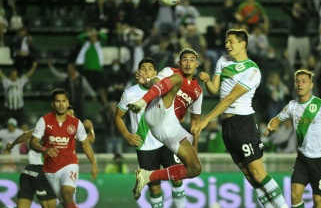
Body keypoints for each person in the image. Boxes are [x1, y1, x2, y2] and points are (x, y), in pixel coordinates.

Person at [191, 28, 288, 208]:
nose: (227, 45)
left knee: (258, 173)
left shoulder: (252, 71)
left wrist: (206, 120)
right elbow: (215, 91)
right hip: (228, 125)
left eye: (231, 42)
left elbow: (229, 99)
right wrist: (207, 81)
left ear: (243, 44)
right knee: (249, 176)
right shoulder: (222, 61)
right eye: (226, 42)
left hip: (243, 123)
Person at [126, 48, 203, 202]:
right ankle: (142, 102)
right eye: (185, 59)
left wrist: (195, 146)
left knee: (195, 168)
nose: (188, 63)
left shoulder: (198, 91)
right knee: (177, 79)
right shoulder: (171, 72)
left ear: (197, 64)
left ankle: (148, 176)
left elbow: (195, 121)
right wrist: (148, 82)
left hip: (170, 126)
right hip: (156, 111)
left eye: (192, 60)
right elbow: (155, 82)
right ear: (179, 63)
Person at [263, 69, 321, 208]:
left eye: (304, 82)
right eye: (297, 81)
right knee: (295, 195)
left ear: (311, 85)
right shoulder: (292, 106)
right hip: (303, 158)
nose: (300, 84)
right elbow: (277, 119)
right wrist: (271, 126)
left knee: (318, 201)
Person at [115, 58, 187, 207]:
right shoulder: (129, 94)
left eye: (150, 68)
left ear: (155, 72)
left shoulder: (163, 89)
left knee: (177, 178)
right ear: (138, 72)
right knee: (154, 187)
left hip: (166, 141)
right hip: (145, 147)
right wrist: (127, 135)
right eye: (143, 68)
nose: (147, 71)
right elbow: (117, 117)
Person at [5, 105, 95, 208]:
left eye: (73, 115)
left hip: (28, 171)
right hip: (43, 172)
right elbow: (90, 140)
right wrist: (91, 128)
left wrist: (11, 145)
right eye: (70, 115)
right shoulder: (66, 131)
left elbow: (24, 135)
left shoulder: (45, 126)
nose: (72, 117)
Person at [29, 88, 98, 208]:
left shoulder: (76, 123)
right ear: (52, 103)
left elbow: (86, 143)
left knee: (67, 194)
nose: (61, 104)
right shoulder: (44, 121)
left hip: (69, 164)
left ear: (67, 103)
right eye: (57, 101)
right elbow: (32, 143)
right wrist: (45, 149)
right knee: (66, 203)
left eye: (63, 101)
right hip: (50, 169)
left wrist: (94, 163)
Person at [0, 61, 38, 126]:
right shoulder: (6, 82)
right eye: (13, 75)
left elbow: (28, 75)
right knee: (6, 126)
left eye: (15, 74)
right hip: (9, 109)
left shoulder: (20, 81)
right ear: (10, 75)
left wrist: (33, 67)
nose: (14, 76)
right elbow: (1, 74)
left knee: (23, 125)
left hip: (19, 109)